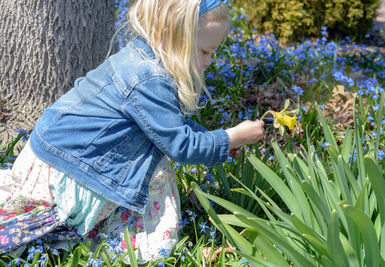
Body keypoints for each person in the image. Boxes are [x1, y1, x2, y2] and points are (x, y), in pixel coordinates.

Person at [0, 0, 265, 263]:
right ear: (175, 39)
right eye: (206, 51)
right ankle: (136, 245)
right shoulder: (150, 80)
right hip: (66, 165)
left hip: (56, 148)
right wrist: (232, 137)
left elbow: (170, 127)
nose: (209, 61)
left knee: (152, 163)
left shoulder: (141, 56)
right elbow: (181, 146)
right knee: (156, 174)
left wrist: (215, 139)